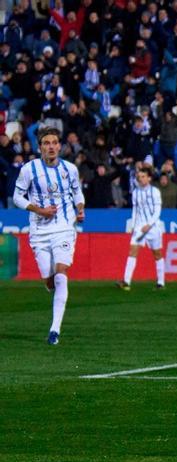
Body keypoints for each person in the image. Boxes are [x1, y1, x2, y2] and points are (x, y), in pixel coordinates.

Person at [13, 127, 85, 345]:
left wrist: (80, 208)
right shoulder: (29, 169)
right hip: (39, 232)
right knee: (50, 281)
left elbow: (77, 192)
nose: (51, 146)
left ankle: (55, 330)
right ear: (40, 147)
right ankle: (51, 284)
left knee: (62, 273)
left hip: (64, 227)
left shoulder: (70, 169)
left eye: (54, 142)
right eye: (46, 143)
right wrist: (39, 210)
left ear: (59, 146)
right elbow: (17, 196)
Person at [117, 168, 165, 290]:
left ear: (149, 178)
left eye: (143, 176)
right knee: (132, 251)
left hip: (153, 227)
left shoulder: (155, 192)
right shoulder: (136, 192)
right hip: (139, 227)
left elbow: (157, 211)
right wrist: (133, 225)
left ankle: (161, 282)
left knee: (157, 254)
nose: (141, 179)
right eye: (139, 177)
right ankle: (126, 281)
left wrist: (149, 224)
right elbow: (135, 210)